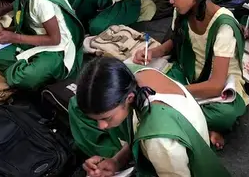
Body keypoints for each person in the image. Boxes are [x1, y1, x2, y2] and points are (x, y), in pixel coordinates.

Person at [135, 0, 248, 149]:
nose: (171, 1)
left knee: (225, 114)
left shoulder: (223, 25)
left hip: (218, 88)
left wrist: (175, 91)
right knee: (145, 85)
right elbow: (174, 42)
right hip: (187, 73)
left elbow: (216, 85)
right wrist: (154, 52)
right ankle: (197, 125)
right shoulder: (182, 11)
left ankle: (174, 118)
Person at [68, 57, 229, 177]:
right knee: (74, 104)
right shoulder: (135, 75)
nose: (101, 126)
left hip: (183, 167)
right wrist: (116, 161)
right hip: (170, 150)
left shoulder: (158, 141)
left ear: (129, 98)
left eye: (106, 118)